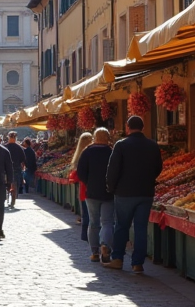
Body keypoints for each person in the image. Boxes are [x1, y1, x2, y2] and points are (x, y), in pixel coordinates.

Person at [104, 116, 163, 273]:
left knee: (122, 226)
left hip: (124, 193)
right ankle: (138, 263)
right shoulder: (152, 145)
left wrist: (111, 187)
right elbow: (158, 167)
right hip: (145, 193)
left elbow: (113, 169)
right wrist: (149, 179)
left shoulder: (121, 145)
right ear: (143, 127)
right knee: (141, 228)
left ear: (127, 127)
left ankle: (117, 259)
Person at [77, 128, 116, 263]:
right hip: (108, 192)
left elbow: (80, 172)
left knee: (93, 223)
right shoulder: (111, 152)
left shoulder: (87, 152)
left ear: (94, 137)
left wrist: (89, 182)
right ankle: (105, 245)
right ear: (107, 138)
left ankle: (94, 252)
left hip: (92, 192)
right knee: (107, 222)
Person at [68, 132, 93, 243]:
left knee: (85, 213)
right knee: (92, 215)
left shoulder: (78, 156)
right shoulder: (90, 153)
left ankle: (85, 235)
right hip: (92, 188)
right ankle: (89, 235)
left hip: (83, 189)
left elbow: (77, 174)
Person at [4, 132, 25, 209]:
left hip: (5, 169)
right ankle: (13, 201)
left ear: (8, 137)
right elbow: (23, 159)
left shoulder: (4, 147)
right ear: (15, 138)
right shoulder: (19, 148)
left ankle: (5, 198)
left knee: (5, 184)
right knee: (14, 184)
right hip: (15, 168)